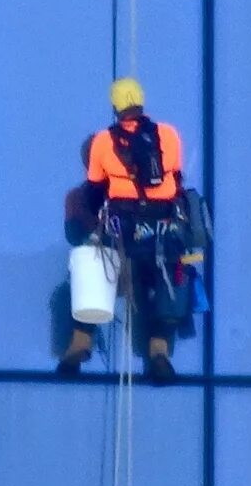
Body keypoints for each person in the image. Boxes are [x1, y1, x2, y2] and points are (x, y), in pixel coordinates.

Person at [59, 77, 202, 384]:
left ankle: (79, 345)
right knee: (169, 276)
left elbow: (96, 189)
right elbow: (175, 178)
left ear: (115, 107)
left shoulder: (103, 142)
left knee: (93, 269)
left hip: (121, 229)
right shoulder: (169, 135)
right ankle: (159, 352)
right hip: (163, 228)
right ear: (141, 101)